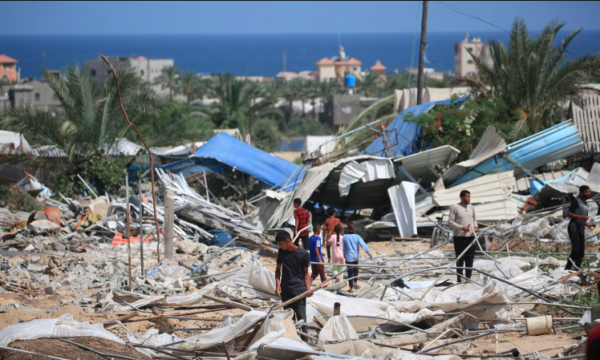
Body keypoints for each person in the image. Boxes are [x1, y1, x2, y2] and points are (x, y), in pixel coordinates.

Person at [275, 230, 312, 337]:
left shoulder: (303, 254)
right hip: (285, 290)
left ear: (288, 241)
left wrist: (308, 289)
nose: (280, 246)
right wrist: (278, 286)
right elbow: (278, 270)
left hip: (299, 290)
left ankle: (305, 341)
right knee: (288, 318)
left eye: (281, 244)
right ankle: (293, 340)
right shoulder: (281, 252)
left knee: (301, 318)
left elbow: (306, 273)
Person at [448, 190, 477, 282]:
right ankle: (459, 278)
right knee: (460, 259)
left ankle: (468, 278)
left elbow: (475, 219)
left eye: (469, 197)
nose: (469, 198)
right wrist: (461, 227)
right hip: (459, 237)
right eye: (467, 197)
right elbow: (450, 222)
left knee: (470, 258)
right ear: (462, 197)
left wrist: (475, 227)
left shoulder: (471, 207)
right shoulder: (455, 207)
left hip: (471, 236)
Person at [566, 185, 594, 270]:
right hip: (573, 228)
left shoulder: (586, 204)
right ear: (581, 193)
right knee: (576, 250)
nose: (588, 193)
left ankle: (578, 269)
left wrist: (589, 225)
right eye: (586, 192)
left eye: (589, 191)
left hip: (581, 229)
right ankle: (567, 268)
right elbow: (569, 214)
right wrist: (581, 217)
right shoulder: (576, 201)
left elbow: (584, 219)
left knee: (581, 252)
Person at [343, 223, 372, 293]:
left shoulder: (344, 237)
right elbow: (363, 245)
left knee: (350, 272)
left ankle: (351, 288)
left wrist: (344, 256)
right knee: (355, 269)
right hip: (355, 256)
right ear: (355, 229)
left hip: (348, 257)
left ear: (347, 229)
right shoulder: (357, 236)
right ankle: (355, 283)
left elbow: (343, 248)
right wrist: (369, 253)